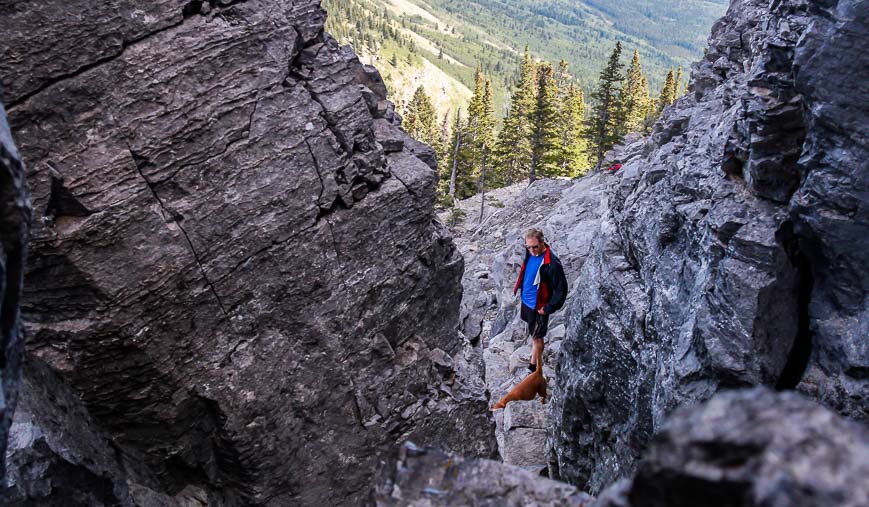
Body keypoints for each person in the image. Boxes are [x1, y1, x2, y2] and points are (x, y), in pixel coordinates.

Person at [513, 228, 568, 373]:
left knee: (537, 337)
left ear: (542, 241)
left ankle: (534, 368)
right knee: (535, 334)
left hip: (539, 306)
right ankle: (537, 362)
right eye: (529, 247)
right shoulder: (530, 253)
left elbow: (561, 290)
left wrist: (548, 308)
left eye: (535, 247)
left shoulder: (552, 263)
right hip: (527, 302)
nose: (532, 250)